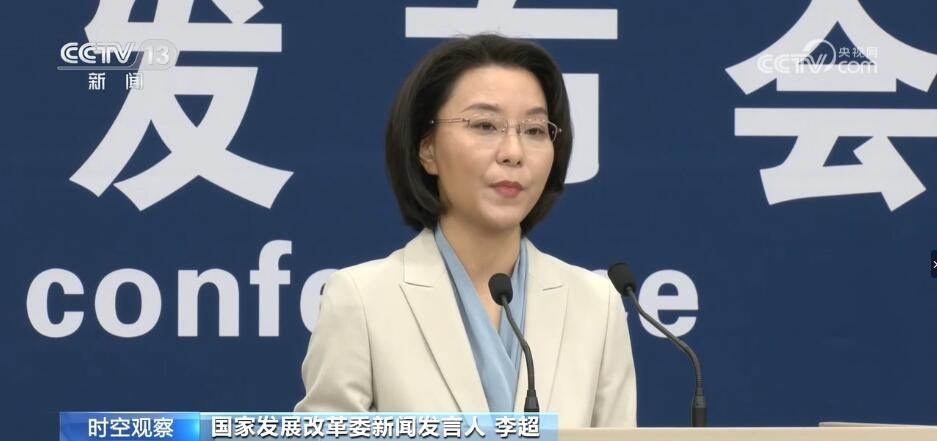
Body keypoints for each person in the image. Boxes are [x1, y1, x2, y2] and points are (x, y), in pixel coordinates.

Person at [294, 34, 636, 427]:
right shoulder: (362, 300)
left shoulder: (595, 306)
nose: (513, 152)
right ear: (427, 149)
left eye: (534, 130)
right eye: (485, 125)